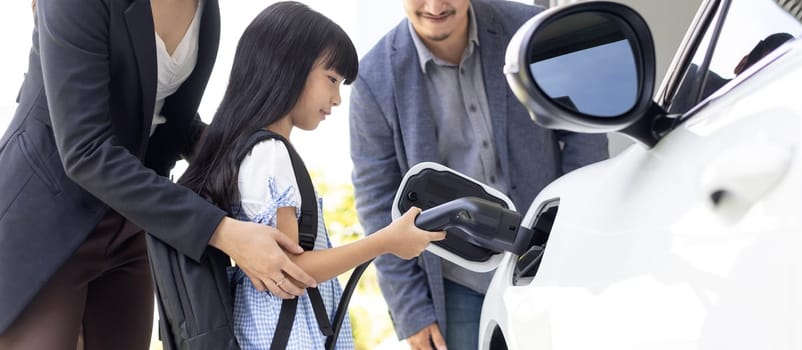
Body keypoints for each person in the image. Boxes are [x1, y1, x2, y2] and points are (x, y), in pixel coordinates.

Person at [0, 0, 320, 348]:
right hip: (49, 216)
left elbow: (172, 121)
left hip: (134, 220)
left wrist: (251, 157)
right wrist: (220, 230)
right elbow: (85, 150)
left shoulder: (205, 10)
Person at [175, 3, 446, 349]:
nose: (336, 99)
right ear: (288, 67)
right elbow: (289, 268)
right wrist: (387, 241)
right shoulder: (269, 155)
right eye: (331, 79)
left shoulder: (251, 150)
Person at [348, 0, 610, 349]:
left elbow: (582, 131)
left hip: (553, 254)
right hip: (457, 281)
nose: (435, 5)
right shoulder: (373, 79)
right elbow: (377, 201)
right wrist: (411, 310)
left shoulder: (531, 30)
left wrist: (570, 228)